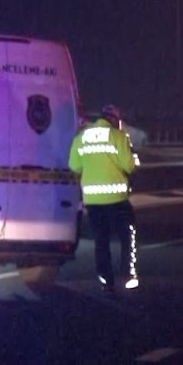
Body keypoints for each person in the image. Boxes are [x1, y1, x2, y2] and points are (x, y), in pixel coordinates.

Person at [68, 104, 140, 292]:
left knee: (101, 241)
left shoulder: (81, 137)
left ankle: (105, 280)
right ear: (115, 119)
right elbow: (130, 166)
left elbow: (74, 166)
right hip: (117, 200)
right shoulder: (119, 137)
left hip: (93, 202)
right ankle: (128, 275)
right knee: (128, 236)